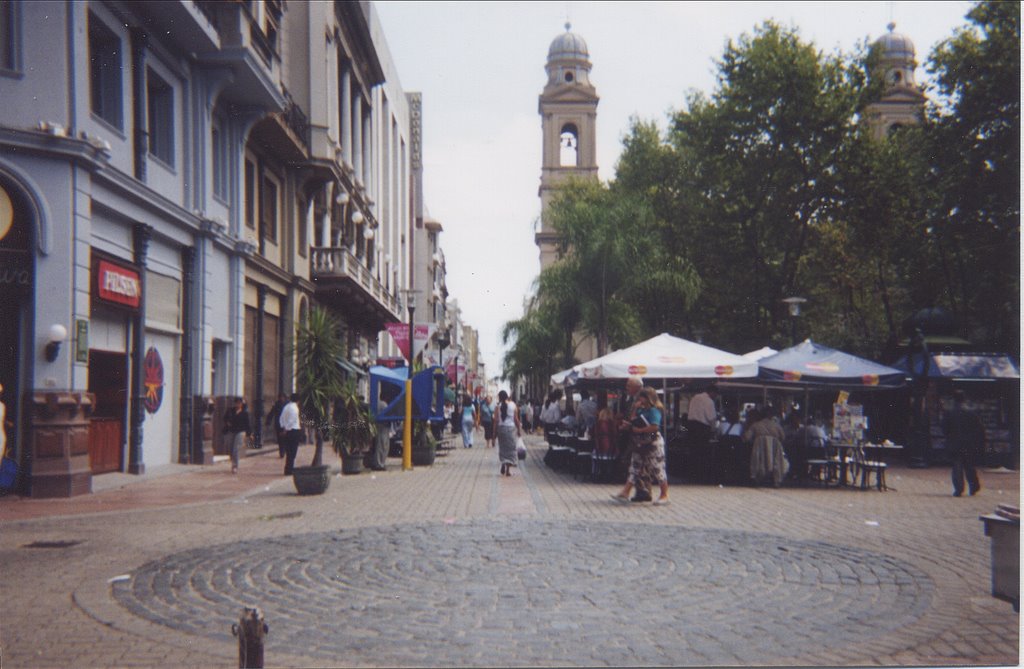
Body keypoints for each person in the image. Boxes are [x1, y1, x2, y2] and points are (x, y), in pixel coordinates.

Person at [612, 387, 669, 505]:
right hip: (641, 443)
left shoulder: (654, 410)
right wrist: (635, 411)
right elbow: (633, 419)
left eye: (641, 397)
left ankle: (664, 494)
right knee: (635, 467)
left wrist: (640, 430)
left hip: (653, 443)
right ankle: (625, 492)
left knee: (657, 468)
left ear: (648, 398)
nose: (640, 400)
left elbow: (655, 426)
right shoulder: (641, 410)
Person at [942, 390, 985, 497]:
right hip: (969, 444)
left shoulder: (949, 413)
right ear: (964, 399)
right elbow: (979, 429)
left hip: (954, 443)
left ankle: (959, 489)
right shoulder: (971, 413)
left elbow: (944, 428)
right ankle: (974, 486)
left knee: (957, 466)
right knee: (969, 466)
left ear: (954, 400)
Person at [616, 375, 650, 501]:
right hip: (633, 434)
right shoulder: (632, 399)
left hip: (640, 435)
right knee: (637, 463)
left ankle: (641, 490)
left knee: (634, 462)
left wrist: (629, 425)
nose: (627, 387)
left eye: (629, 385)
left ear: (637, 387)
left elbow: (642, 419)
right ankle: (642, 490)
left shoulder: (642, 399)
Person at [743, 407, 787, 487]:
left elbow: (747, 437)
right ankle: (776, 480)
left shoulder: (756, 425)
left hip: (760, 452)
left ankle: (756, 477)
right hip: (774, 452)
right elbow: (783, 437)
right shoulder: (777, 426)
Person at [686, 385, 719, 482]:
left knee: (693, 452)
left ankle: (692, 475)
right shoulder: (709, 401)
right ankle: (701, 476)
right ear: (712, 392)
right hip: (702, 428)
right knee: (703, 453)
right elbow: (711, 418)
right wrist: (713, 430)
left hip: (691, 426)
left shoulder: (694, 398)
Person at [494, 390, 521, 476]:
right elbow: (516, 419)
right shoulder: (513, 405)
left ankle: (503, 463)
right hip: (511, 429)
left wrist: (494, 434)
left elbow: (496, 420)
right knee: (511, 449)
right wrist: (519, 430)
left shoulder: (497, 406)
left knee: (503, 448)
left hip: (501, 429)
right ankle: (507, 470)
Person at [222, 397, 251, 474]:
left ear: (242, 404)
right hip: (231, 431)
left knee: (235, 449)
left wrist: (249, 434)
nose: (238, 404)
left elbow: (247, 424)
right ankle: (233, 461)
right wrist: (227, 422)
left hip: (240, 432)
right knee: (231, 448)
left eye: (239, 403)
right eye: (237, 402)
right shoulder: (230, 411)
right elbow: (224, 418)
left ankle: (234, 466)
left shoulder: (244, 413)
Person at [279, 392, 302, 475]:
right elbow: (291, 420)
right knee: (293, 451)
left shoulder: (286, 407)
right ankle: (290, 469)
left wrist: (283, 427)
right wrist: (287, 428)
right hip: (293, 430)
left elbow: (281, 418)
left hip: (287, 431)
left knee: (288, 451)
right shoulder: (295, 408)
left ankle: (288, 468)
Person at [266, 393, 288, 458]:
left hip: (286, 424)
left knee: (285, 438)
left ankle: (284, 450)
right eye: (280, 397)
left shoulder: (287, 405)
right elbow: (271, 413)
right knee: (280, 439)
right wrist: (268, 421)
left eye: (282, 397)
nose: (281, 398)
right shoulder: (276, 404)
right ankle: (282, 452)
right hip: (278, 424)